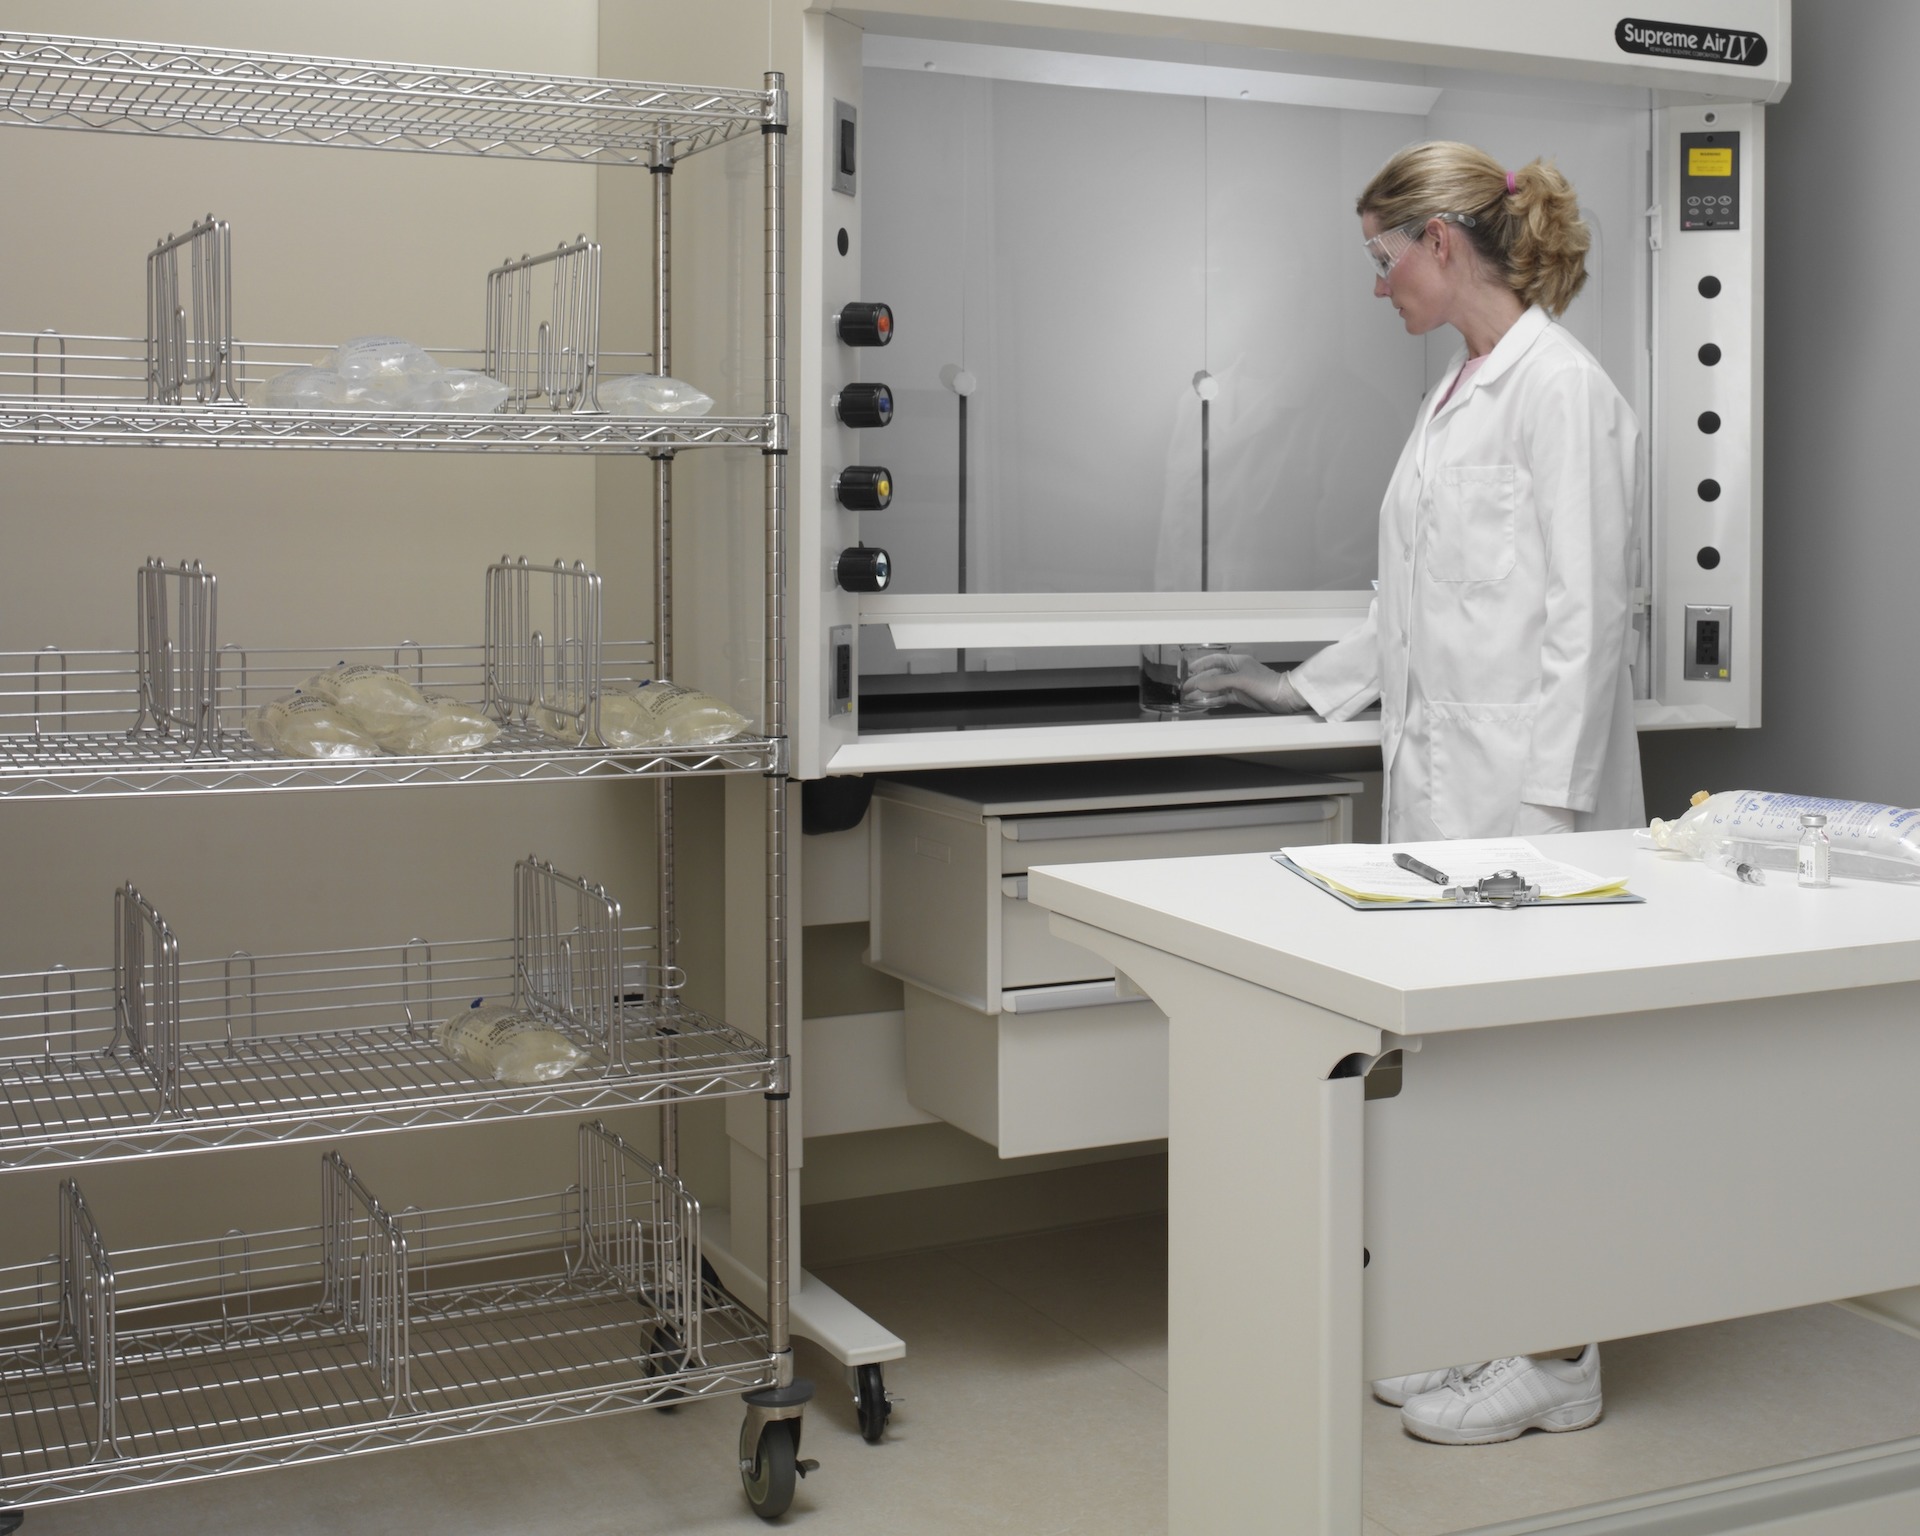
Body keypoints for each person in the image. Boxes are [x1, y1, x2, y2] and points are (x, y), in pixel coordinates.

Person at [1184, 141, 1643, 1444]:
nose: (1376, 284)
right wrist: (1298, 690)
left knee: (1545, 1083)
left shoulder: (1561, 389)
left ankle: (1560, 1357)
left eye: (1382, 258)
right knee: (1463, 1075)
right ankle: (1484, 1323)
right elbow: (1417, 606)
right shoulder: (1458, 393)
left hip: (1535, 810)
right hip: (1452, 795)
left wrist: (1550, 822)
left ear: (1441, 242)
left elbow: (1589, 618)